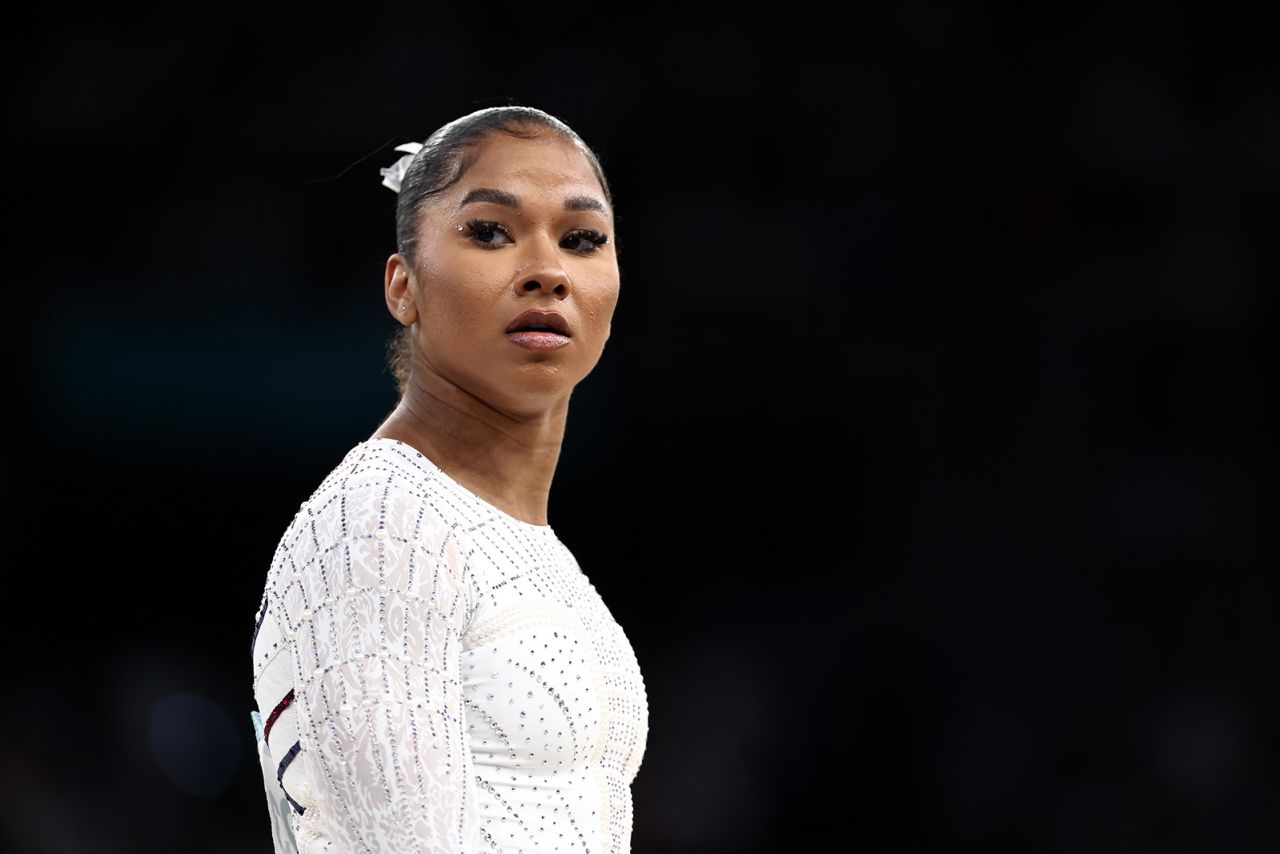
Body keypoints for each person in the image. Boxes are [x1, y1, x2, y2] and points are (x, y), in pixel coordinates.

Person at [249, 105, 648, 854]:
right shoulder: (383, 519)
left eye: (582, 239)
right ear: (403, 287)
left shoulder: (533, 551)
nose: (547, 271)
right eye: (489, 232)